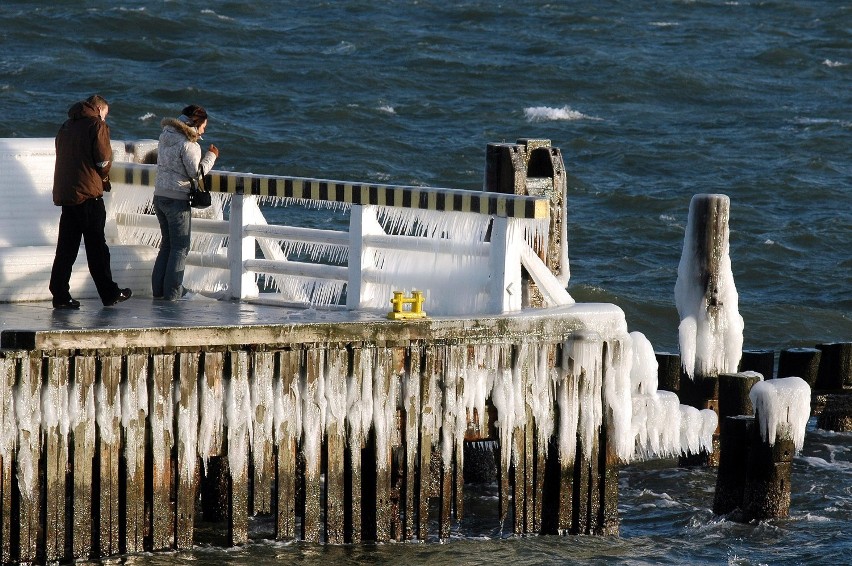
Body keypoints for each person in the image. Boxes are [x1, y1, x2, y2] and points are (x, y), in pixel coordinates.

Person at [49, 94, 132, 309]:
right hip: (88, 195)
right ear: (98, 109)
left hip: (67, 195)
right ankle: (109, 293)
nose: (105, 119)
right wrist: (103, 176)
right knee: (97, 247)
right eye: (105, 114)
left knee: (66, 249)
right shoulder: (96, 125)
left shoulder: (67, 126)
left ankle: (59, 294)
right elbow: (103, 160)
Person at [152, 105, 219, 300]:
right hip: (177, 199)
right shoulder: (189, 144)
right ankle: (173, 293)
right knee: (180, 248)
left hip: (160, 196)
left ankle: (158, 292)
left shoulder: (165, 136)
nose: (204, 130)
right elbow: (195, 173)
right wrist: (211, 156)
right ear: (196, 124)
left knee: (167, 245)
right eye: (204, 126)